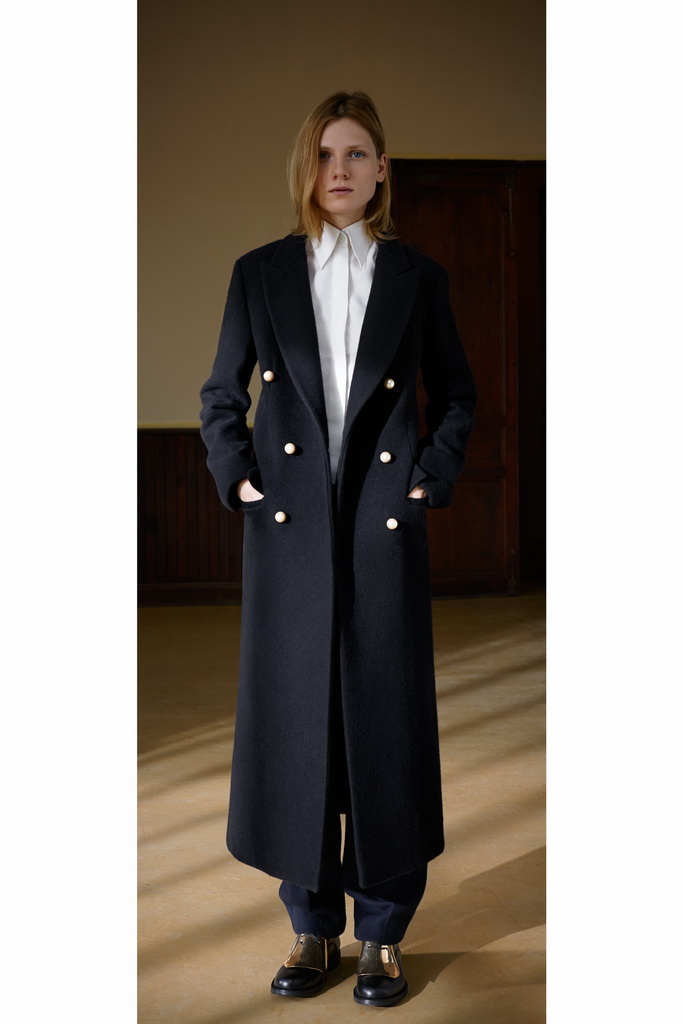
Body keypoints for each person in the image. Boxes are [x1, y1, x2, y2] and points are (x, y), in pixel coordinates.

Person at [200, 91, 476, 1008]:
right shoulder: (259, 272)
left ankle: (383, 934)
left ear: (382, 168)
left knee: (383, 727)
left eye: (356, 153)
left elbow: (458, 395)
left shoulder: (417, 277)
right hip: (289, 531)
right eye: (325, 155)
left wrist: (427, 477)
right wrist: (241, 478)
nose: (340, 170)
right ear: (306, 168)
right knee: (299, 728)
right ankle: (312, 927)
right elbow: (220, 395)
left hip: (379, 524)